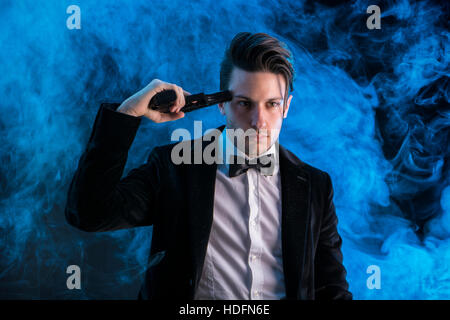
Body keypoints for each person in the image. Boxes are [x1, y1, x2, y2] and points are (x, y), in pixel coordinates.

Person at [65, 32, 352, 300]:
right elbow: (89, 214)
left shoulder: (316, 186)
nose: (258, 121)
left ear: (287, 106)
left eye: (272, 104)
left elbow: (331, 288)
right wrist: (127, 112)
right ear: (221, 105)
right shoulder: (174, 168)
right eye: (244, 103)